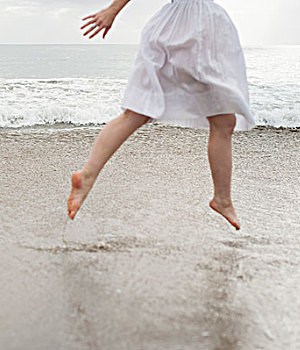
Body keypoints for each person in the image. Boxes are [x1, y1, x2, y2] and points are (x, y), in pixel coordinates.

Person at [67, 0, 255, 230]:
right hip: (198, 26)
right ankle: (222, 199)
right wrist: (113, 10)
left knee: (138, 113)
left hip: (174, 24)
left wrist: (113, 11)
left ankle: (87, 175)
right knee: (223, 121)